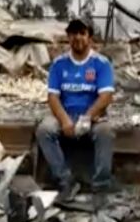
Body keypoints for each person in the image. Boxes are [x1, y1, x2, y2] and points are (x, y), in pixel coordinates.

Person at [36, 18, 115, 208]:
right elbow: (53, 97)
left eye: (82, 33)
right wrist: (64, 121)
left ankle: (100, 186)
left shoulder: (101, 63)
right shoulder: (59, 64)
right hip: (66, 114)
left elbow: (105, 96)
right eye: (73, 33)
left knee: (105, 133)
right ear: (68, 37)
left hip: (92, 116)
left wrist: (86, 118)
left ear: (89, 37)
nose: (77, 37)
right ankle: (66, 181)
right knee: (44, 130)